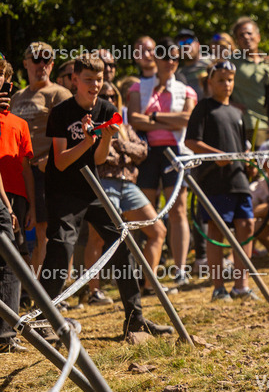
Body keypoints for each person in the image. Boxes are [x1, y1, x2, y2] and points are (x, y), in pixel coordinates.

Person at [42, 53, 172, 340]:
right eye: (89, 79)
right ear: (75, 80)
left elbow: (98, 160)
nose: (95, 85)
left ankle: (135, 320)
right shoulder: (61, 112)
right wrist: (87, 140)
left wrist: (105, 137)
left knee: (120, 243)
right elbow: (61, 161)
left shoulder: (107, 108)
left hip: (92, 189)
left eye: (99, 79)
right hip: (63, 191)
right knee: (61, 247)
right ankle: (43, 318)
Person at [83, 82, 166, 304]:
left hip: (128, 184)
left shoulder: (125, 127)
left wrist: (119, 144)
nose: (109, 100)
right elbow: (96, 157)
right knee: (97, 237)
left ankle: (149, 285)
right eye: (104, 96)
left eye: (113, 96)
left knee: (158, 230)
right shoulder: (89, 126)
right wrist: (122, 147)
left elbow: (142, 152)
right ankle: (94, 292)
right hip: (104, 182)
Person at [184, 60, 258, 300]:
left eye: (230, 80)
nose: (226, 85)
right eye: (221, 80)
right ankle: (218, 287)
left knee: (246, 225)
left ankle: (241, 285)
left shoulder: (237, 112)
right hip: (213, 180)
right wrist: (216, 156)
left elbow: (239, 145)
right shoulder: (203, 108)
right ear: (210, 83)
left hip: (239, 179)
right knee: (216, 229)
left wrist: (247, 161)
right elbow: (191, 142)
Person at [127, 36, 196, 287]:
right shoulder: (137, 87)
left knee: (178, 210)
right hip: (146, 154)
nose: (170, 61)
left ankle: (180, 269)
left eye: (175, 57)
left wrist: (154, 116)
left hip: (175, 152)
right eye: (165, 56)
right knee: (145, 212)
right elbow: (134, 119)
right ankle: (142, 271)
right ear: (155, 58)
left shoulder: (186, 89)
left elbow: (186, 119)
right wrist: (169, 118)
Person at [11, 41, 68, 272]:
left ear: (52, 65)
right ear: (25, 63)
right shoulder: (16, 97)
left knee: (44, 229)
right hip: (16, 171)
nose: (41, 64)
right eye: (36, 59)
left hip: (45, 170)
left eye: (47, 59)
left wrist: (52, 160)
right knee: (16, 230)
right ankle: (23, 289)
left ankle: (43, 291)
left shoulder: (59, 94)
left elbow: (68, 134)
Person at [0, 57, 30, 352]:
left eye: (2, 77)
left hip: (12, 195)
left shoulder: (18, 123)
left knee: (13, 259)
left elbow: (26, 167)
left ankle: (6, 334)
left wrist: (17, 204)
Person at [231, 17, 269, 147]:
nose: (246, 37)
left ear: (258, 36)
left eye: (249, 33)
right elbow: (210, 84)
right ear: (237, 41)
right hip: (250, 124)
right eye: (241, 35)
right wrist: (229, 104)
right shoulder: (231, 62)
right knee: (254, 165)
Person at [175, 29, 210, 98]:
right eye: (181, 43)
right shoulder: (178, 75)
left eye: (189, 41)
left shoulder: (212, 61)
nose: (185, 45)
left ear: (198, 45)